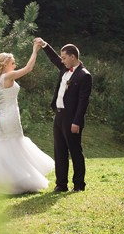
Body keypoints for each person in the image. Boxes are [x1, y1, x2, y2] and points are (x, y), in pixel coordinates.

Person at [0, 38, 56, 194]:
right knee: (15, 147)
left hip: (0, 118)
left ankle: (2, 184)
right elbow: (28, 68)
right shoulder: (8, 77)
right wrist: (35, 50)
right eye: (13, 62)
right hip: (11, 116)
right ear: (6, 65)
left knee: (4, 149)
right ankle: (16, 183)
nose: (15, 64)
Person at [37, 39, 92, 192]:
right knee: (59, 151)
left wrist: (77, 122)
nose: (62, 60)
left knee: (75, 151)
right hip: (59, 115)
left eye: (64, 57)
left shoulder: (84, 75)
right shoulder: (64, 68)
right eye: (62, 58)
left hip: (72, 118)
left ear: (73, 57)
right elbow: (54, 58)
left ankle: (79, 185)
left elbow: (83, 102)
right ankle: (61, 185)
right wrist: (44, 45)